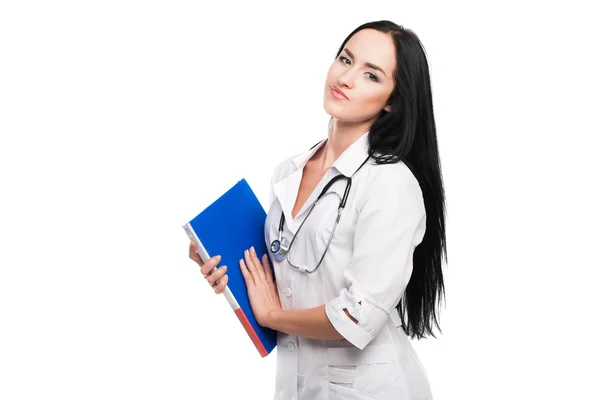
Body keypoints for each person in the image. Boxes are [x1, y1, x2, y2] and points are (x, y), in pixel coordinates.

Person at [189, 20, 446, 400]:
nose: (346, 77)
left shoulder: (390, 183)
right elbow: (288, 289)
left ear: (392, 99)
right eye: (346, 59)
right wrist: (225, 268)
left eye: (371, 75)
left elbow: (357, 317)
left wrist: (272, 316)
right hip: (297, 384)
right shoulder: (288, 172)